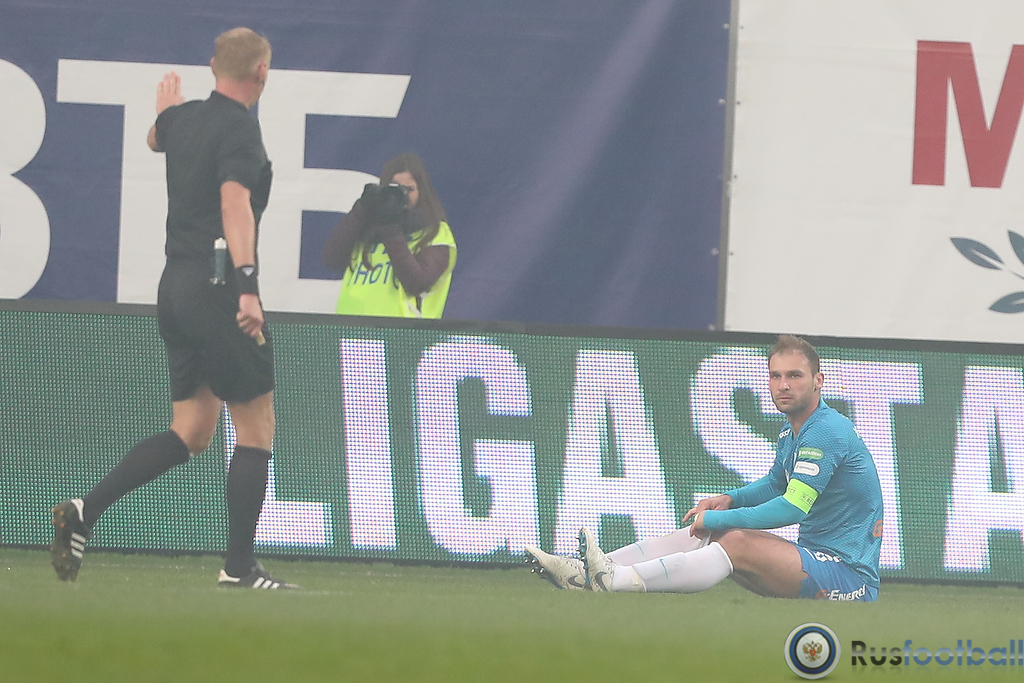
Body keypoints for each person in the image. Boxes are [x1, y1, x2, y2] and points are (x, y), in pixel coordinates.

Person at [50, 27, 297, 589]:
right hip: (218, 286)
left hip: (176, 288)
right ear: (261, 73)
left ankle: (84, 511)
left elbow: (154, 139)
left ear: (213, 66)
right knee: (256, 424)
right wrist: (248, 286)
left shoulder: (183, 120)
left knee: (191, 430)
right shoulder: (241, 129)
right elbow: (234, 203)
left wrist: (166, 115)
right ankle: (239, 567)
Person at [526, 335, 884, 601]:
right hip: (818, 561)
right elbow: (777, 483)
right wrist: (730, 499)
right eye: (775, 376)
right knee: (714, 533)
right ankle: (588, 572)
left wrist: (717, 518)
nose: (783, 385)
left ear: (819, 381)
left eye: (794, 375)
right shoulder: (794, 429)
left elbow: (793, 506)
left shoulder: (826, 430)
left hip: (850, 577)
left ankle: (613, 580)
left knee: (733, 539)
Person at [322, 153, 456, 318]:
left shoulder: (434, 232)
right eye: (395, 188)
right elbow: (332, 259)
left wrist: (390, 228)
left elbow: (417, 283)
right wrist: (361, 210)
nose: (402, 195)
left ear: (423, 193)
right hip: (352, 327)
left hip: (401, 330)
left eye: (409, 189)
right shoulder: (369, 229)